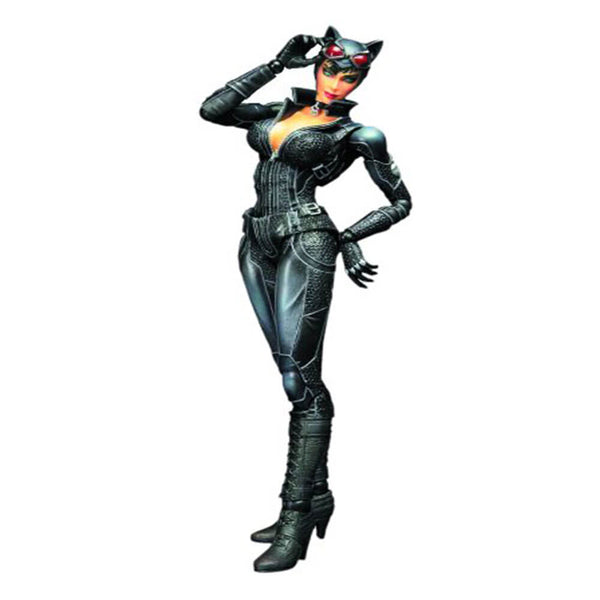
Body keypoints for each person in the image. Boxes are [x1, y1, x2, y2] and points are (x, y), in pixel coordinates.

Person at [199, 26, 412, 572]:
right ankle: (316, 496)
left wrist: (349, 238)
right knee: (290, 373)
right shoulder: (276, 109)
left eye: (352, 77)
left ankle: (295, 516)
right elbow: (212, 110)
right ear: (318, 66)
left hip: (307, 239)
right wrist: (276, 63)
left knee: (300, 379)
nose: (339, 83)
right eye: (332, 71)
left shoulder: (359, 134)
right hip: (256, 241)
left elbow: (401, 201)